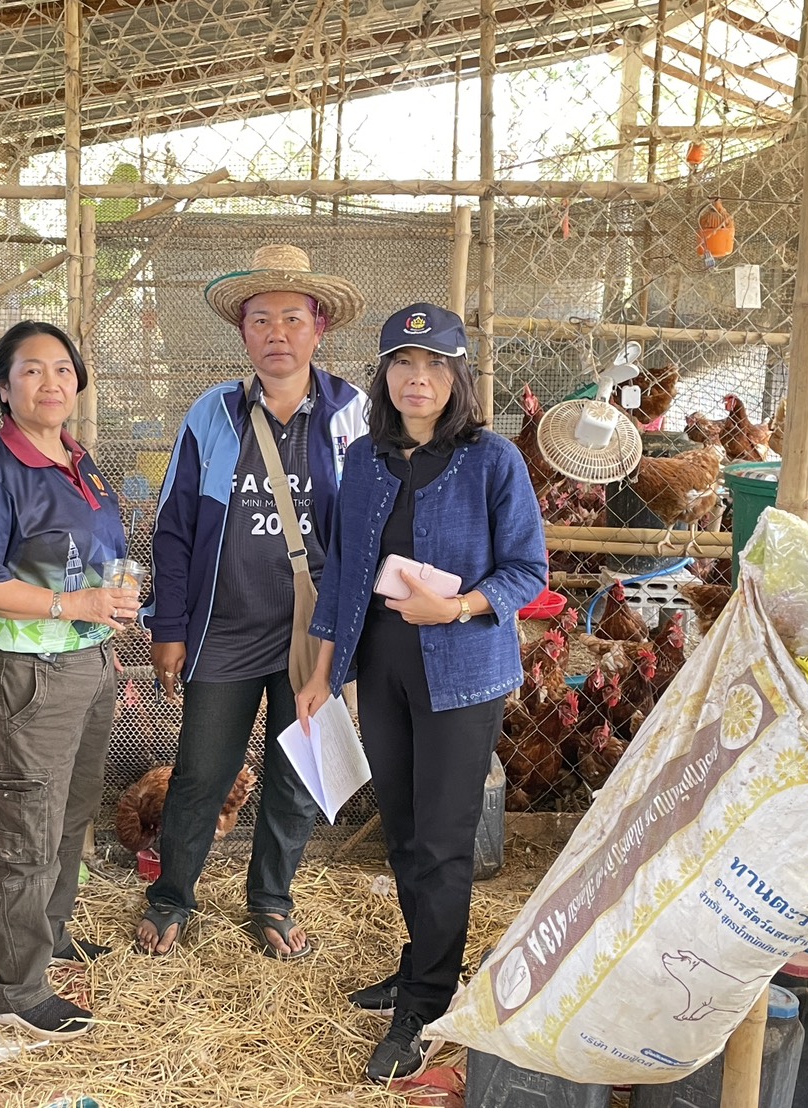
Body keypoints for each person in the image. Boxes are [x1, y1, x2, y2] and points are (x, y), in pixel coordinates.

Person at [297, 302, 547, 1082]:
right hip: (383, 665)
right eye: (404, 365)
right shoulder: (366, 460)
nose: (418, 378)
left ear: (456, 376)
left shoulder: (490, 459)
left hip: (462, 670)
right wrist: (320, 673)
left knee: (441, 843)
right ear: (384, 375)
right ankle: (419, 967)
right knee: (404, 830)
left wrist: (459, 605)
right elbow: (341, 572)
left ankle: (428, 1004)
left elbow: (527, 571)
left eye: (435, 365)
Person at [135, 244, 367, 958]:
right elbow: (172, 527)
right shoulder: (212, 413)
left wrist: (352, 636)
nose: (276, 332)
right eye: (259, 319)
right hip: (224, 627)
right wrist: (167, 627)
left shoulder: (350, 413)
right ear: (241, 332)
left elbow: (364, 534)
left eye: (291, 318)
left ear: (318, 328)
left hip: (311, 631)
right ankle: (172, 896)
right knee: (201, 770)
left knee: (296, 773)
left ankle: (270, 899)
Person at [0, 321, 139, 1041]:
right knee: (27, 828)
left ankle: (53, 934)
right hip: (29, 671)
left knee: (71, 811)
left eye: (62, 369)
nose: (51, 383)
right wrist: (79, 607)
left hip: (86, 659)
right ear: (3, 388)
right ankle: (17, 988)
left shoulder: (75, 456)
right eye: (31, 371)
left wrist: (102, 632)